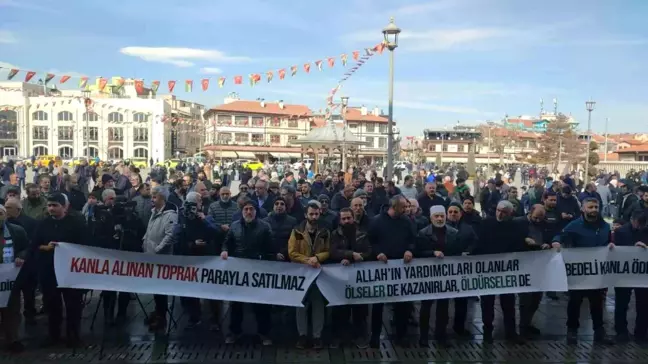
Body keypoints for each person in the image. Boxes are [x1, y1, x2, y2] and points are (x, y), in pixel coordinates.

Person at [552, 197, 614, 345]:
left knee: (597, 303)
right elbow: (561, 235)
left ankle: (599, 332)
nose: (594, 210)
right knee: (575, 302)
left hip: (596, 272)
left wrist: (611, 245)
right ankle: (572, 331)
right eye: (590, 207)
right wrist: (556, 241)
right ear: (583, 209)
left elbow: (609, 241)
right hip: (579, 271)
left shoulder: (605, 226)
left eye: (596, 207)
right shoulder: (574, 225)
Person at [32, 193, 87, 347]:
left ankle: (73, 335)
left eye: (55, 205)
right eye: (49, 205)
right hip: (49, 271)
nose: (51, 209)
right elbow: (35, 245)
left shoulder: (76, 224)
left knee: (73, 305)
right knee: (52, 304)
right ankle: (53, 335)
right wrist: (45, 247)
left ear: (64, 207)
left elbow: (85, 246)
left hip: (71, 271)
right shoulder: (43, 224)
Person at [221, 199, 274, 345]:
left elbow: (270, 249)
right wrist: (224, 251)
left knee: (261, 305)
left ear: (256, 211)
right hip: (239, 271)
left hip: (258, 270)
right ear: (242, 211)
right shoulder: (235, 226)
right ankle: (234, 332)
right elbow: (227, 242)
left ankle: (264, 333)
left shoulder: (265, 227)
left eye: (251, 209)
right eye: (246, 209)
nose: (249, 212)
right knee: (236, 304)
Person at [473, 200, 527, 343]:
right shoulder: (486, 224)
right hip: (488, 270)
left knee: (508, 302)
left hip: (506, 271)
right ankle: (487, 330)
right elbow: (479, 243)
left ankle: (510, 332)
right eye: (498, 210)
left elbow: (519, 246)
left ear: (510, 213)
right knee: (487, 302)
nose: (500, 214)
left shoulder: (515, 227)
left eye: (504, 212)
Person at [367, 195, 415, 347]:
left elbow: (413, 240)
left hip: (401, 267)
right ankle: (375, 335)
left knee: (402, 304)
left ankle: (401, 335)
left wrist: (409, 250)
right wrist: (378, 253)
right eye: (403, 207)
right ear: (394, 207)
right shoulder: (376, 221)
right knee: (378, 304)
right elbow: (370, 241)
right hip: (382, 267)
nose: (406, 210)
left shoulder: (406, 221)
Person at [416, 205, 461, 346]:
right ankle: (423, 336)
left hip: (446, 275)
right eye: (437, 216)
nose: (440, 218)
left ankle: (441, 335)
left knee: (443, 307)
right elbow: (419, 252)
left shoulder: (454, 232)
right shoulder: (423, 233)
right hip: (428, 275)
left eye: (442, 216)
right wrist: (432, 253)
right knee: (426, 306)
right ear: (431, 218)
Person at [288, 201, 330, 349]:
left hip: (318, 274)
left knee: (318, 305)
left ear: (320, 214)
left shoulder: (325, 231)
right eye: (311, 214)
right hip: (301, 273)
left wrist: (318, 258)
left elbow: (328, 250)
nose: (313, 216)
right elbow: (292, 252)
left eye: (316, 214)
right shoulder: (297, 231)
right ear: (306, 215)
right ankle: (302, 335)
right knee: (301, 305)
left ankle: (317, 336)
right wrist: (308, 260)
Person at [330, 207, 371, 348]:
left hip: (359, 277)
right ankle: (340, 337)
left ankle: (360, 336)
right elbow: (333, 251)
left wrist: (358, 257)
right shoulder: (335, 234)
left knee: (360, 309)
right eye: (344, 218)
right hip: (340, 276)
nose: (347, 221)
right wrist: (349, 255)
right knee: (340, 309)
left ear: (353, 218)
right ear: (340, 220)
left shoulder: (362, 233)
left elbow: (368, 251)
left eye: (349, 218)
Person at [142, 185, 177, 332]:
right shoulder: (154, 212)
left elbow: (170, 235)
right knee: (155, 288)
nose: (152, 199)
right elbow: (150, 229)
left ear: (162, 198)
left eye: (155, 196)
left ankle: (162, 317)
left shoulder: (170, 215)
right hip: (151, 256)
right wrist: (145, 241)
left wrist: (158, 249)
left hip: (161, 257)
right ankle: (157, 312)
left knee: (161, 289)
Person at [611, 210, 648, 342]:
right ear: (632, 220)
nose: (639, 227)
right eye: (638, 224)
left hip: (641, 273)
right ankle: (621, 330)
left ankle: (641, 331)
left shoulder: (645, 230)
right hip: (624, 273)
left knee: (643, 304)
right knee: (622, 303)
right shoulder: (621, 232)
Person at [0, 204, 30, 353]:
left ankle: (13, 339)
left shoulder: (16, 231)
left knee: (11, 310)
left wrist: (20, 256)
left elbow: (26, 248)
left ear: (5, 215)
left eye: (0, 214)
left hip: (8, 278)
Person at [263, 196, 297, 262]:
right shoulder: (264, 222)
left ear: (285, 206)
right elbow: (264, 241)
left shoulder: (293, 221)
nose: (279, 206)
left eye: (282, 204)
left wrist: (283, 253)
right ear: (273, 206)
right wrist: (274, 254)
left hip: (286, 257)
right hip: (269, 258)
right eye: (276, 203)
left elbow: (295, 240)